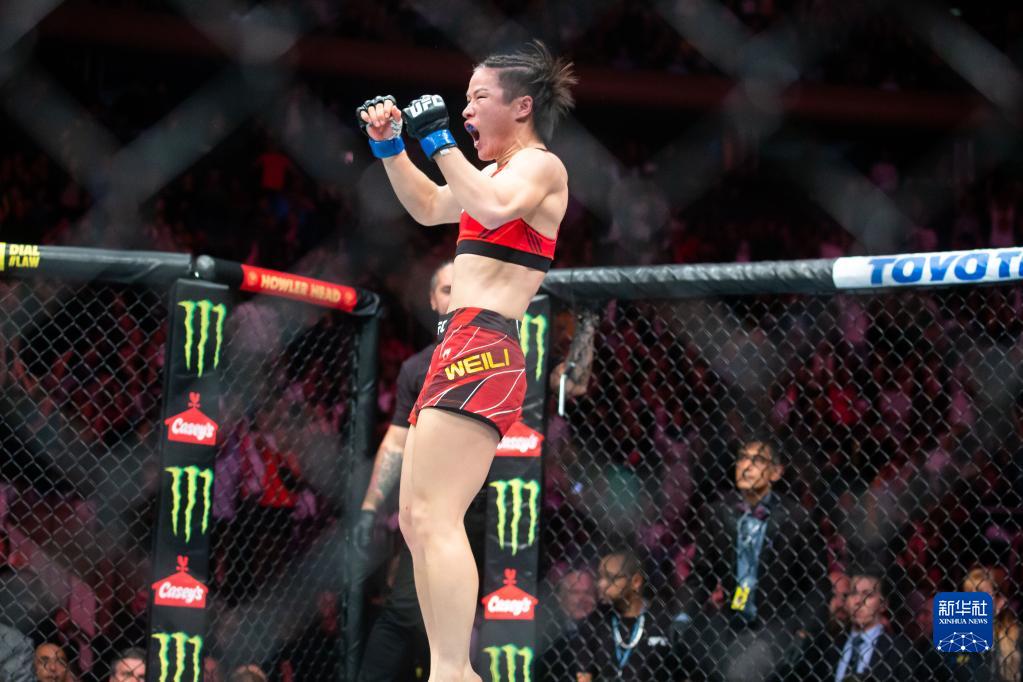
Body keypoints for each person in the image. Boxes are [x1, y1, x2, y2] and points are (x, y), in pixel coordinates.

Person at [357, 39, 576, 681]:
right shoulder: (490, 177)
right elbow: (430, 206)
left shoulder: (541, 167)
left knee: (439, 515)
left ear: (522, 106)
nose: (468, 110)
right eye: (466, 100)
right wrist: (392, 146)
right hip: (457, 345)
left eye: (479, 98)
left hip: (485, 344)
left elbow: (495, 207)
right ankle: (447, 669)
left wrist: (439, 140)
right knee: (417, 520)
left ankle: (454, 672)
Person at [354, 261, 461, 681]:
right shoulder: (417, 369)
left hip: (491, 506)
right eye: (447, 289)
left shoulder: (500, 354)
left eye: (462, 288)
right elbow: (396, 442)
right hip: (436, 510)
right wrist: (370, 506)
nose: (455, 297)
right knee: (404, 611)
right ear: (432, 300)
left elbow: (565, 385)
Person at [678, 437, 828, 682]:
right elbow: (702, 575)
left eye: (757, 460)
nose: (746, 466)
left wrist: (804, 630)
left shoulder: (797, 518)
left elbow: (817, 584)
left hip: (777, 625)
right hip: (731, 622)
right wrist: (683, 614)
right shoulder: (718, 513)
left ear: (776, 472)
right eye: (742, 458)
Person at [572, 550, 684, 681]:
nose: (601, 584)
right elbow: (584, 678)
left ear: (636, 581)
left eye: (610, 577)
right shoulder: (594, 621)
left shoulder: (664, 620)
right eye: (599, 577)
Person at [798, 570, 917, 682]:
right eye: (853, 593)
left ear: (883, 604)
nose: (858, 601)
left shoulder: (901, 650)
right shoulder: (828, 645)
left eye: (868, 594)